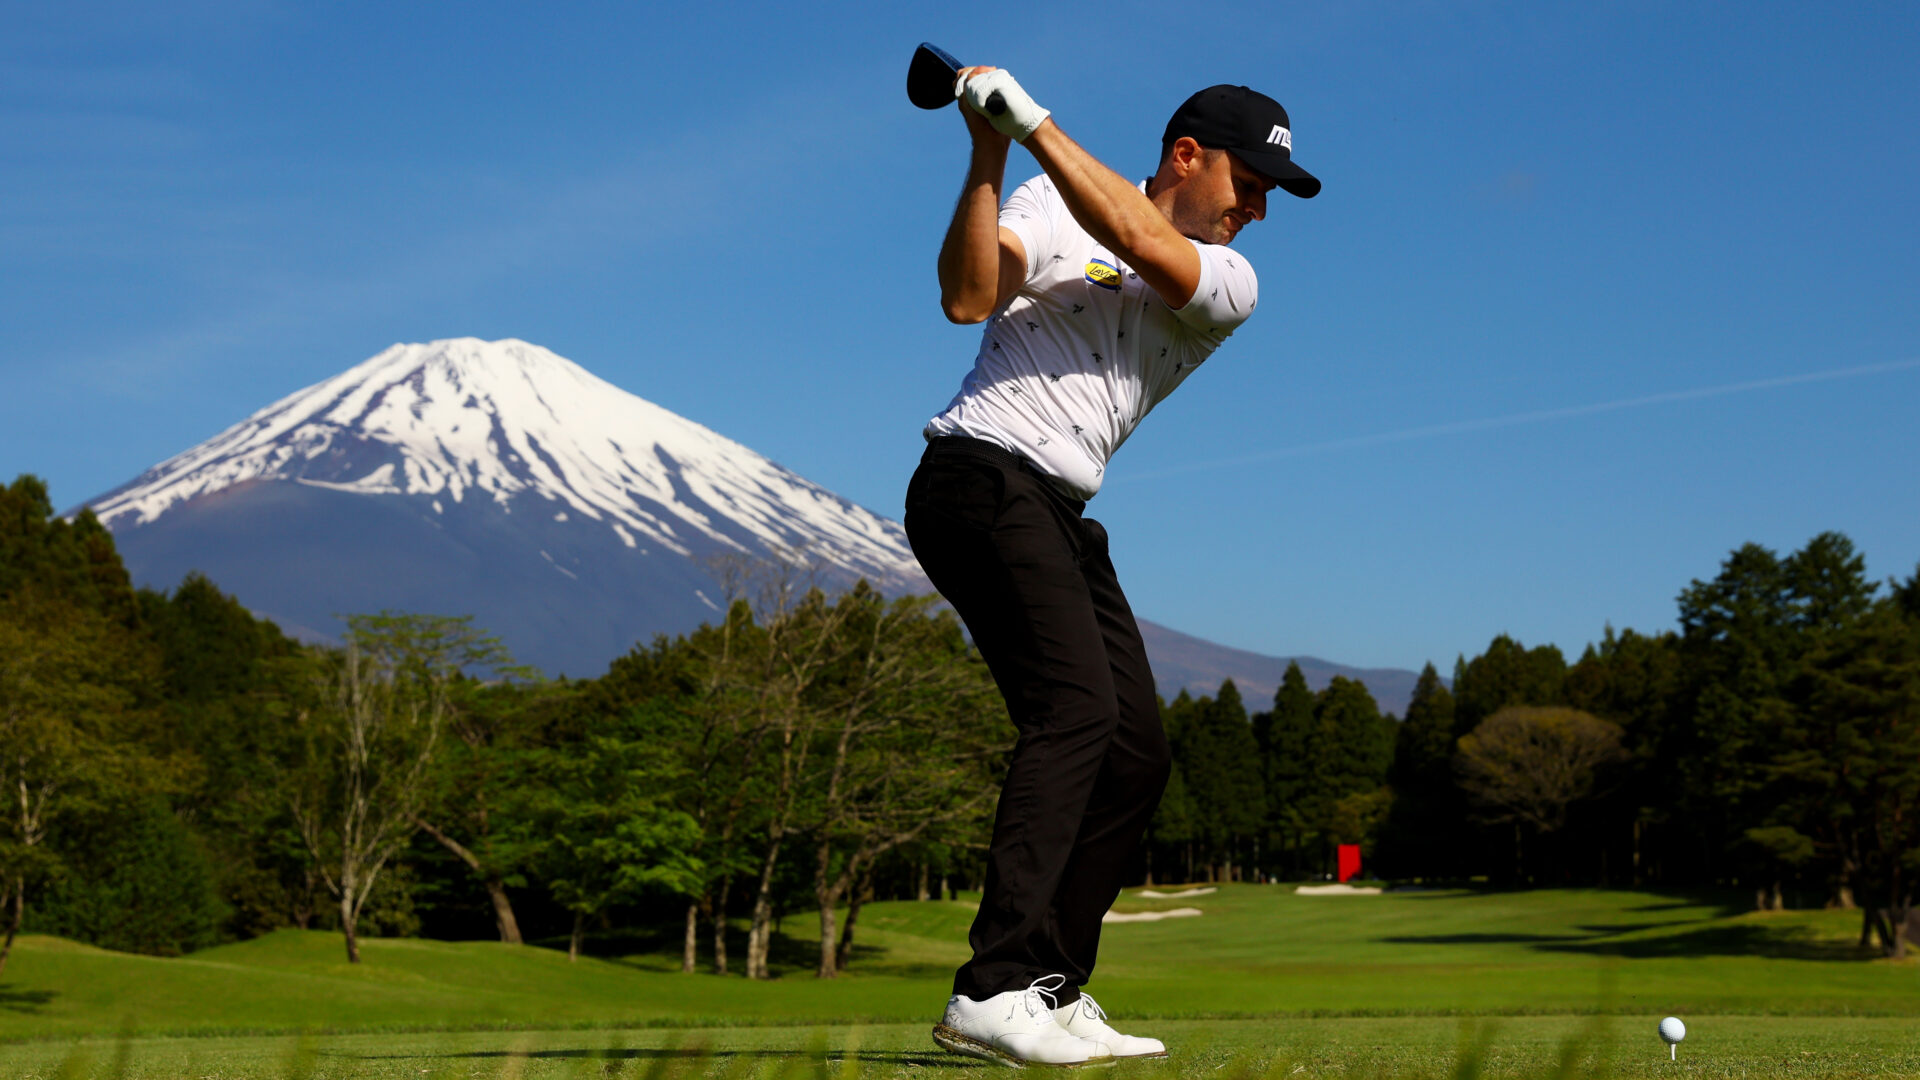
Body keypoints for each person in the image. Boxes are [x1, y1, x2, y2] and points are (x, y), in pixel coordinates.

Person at [904, 63, 1320, 1068]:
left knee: (1136, 749)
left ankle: (1048, 986)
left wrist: (1030, 119)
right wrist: (988, 152)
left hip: (1055, 506)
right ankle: (993, 987)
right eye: (1249, 185)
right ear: (1188, 154)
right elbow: (968, 298)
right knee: (1077, 712)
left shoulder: (1231, 281)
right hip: (978, 478)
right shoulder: (1048, 201)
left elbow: (1139, 240)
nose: (1257, 211)